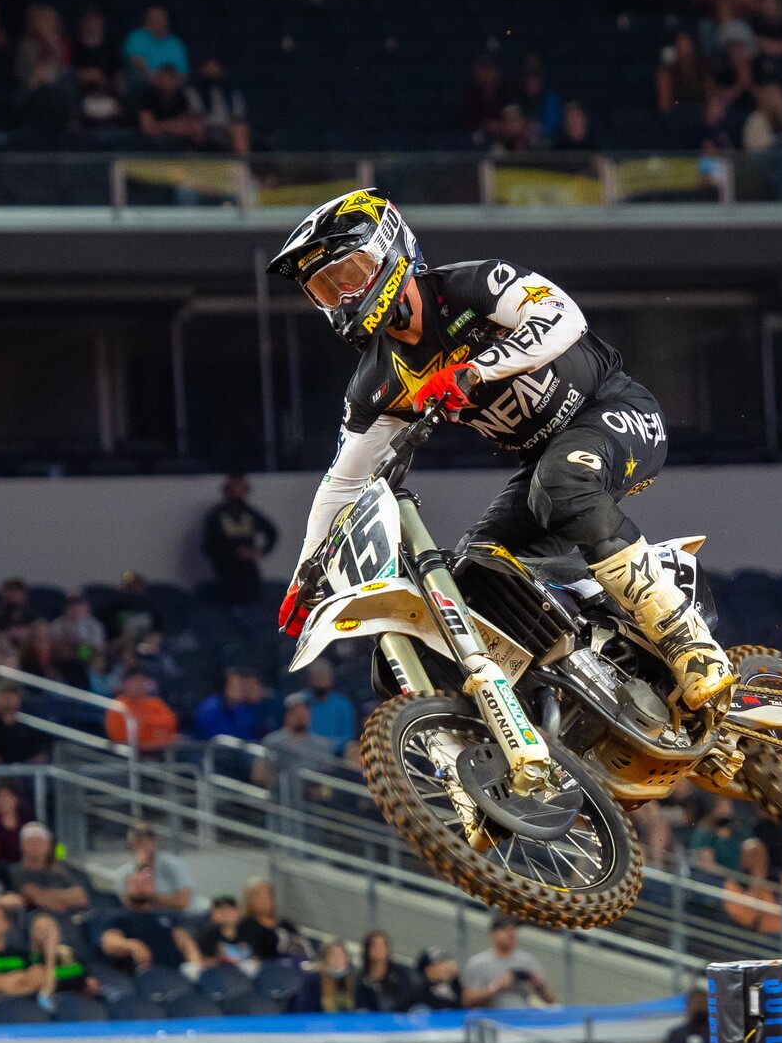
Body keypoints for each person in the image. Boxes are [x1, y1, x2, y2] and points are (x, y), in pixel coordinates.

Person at [269, 190, 732, 710]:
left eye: (348, 276)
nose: (342, 296)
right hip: (541, 464)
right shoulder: (377, 381)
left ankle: (687, 640)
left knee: (562, 485)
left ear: (390, 251)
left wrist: (476, 369)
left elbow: (562, 317)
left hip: (613, 411)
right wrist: (306, 577)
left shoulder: (472, 284)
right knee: (475, 577)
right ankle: (592, 674)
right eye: (325, 290)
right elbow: (345, 481)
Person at [202, 475, 278, 606]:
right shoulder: (216, 516)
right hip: (226, 573)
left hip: (249, 573)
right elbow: (209, 546)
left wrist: (260, 551)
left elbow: (272, 532)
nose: (237, 492)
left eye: (241, 488)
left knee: (253, 606)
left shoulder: (249, 513)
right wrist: (233, 552)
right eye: (234, 488)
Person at [463, 912, 555, 1007]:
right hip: (491, 1017)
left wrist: (536, 981)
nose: (511, 933)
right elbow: (467, 1000)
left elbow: (550, 1000)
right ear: (493, 933)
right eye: (505, 929)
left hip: (521, 1016)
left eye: (514, 928)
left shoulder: (527, 960)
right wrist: (497, 986)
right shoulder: (478, 962)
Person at [13, 822, 91, 916]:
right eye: (30, 841)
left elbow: (81, 897)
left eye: (40, 841)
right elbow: (29, 894)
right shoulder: (14, 872)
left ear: (49, 846)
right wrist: (64, 899)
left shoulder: (61, 871)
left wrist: (42, 895)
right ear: (21, 845)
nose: (35, 845)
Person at [300, 662, 358, 750]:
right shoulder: (300, 702)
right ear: (310, 679)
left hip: (336, 755)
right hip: (304, 752)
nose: (321, 681)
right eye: (318, 677)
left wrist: (330, 745)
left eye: (324, 677)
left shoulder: (342, 704)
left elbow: (348, 735)